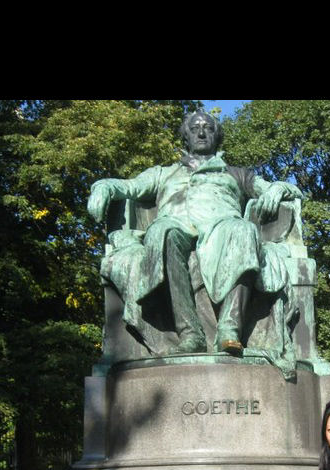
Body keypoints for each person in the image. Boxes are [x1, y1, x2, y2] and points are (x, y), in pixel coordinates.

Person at [87, 110, 302, 356]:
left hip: (222, 228)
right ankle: (190, 333)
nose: (201, 133)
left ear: (216, 136)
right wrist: (102, 187)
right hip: (175, 225)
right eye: (194, 128)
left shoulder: (235, 173)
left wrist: (276, 190)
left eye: (208, 128)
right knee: (163, 233)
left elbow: (284, 189)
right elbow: (129, 187)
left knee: (243, 230)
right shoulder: (162, 173)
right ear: (186, 137)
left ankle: (230, 329)